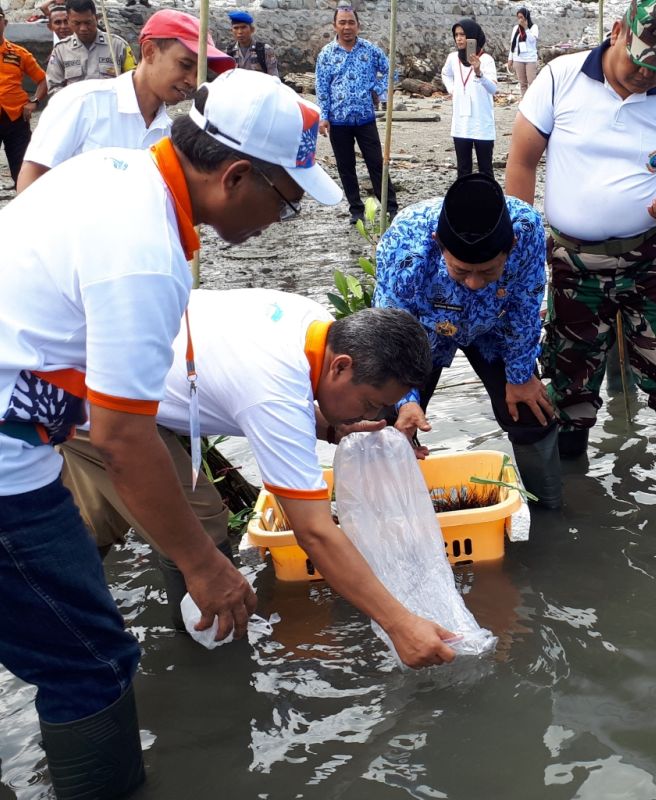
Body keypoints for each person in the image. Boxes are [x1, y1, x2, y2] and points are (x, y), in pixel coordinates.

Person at [0, 68, 341, 799]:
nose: (278, 221)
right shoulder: (149, 254)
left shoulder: (112, 171)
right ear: (236, 175)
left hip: (29, 433)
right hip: (7, 468)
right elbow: (125, 439)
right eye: (283, 202)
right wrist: (203, 564)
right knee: (92, 664)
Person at [61, 288, 462, 667]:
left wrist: (329, 426)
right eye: (371, 403)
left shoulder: (318, 329)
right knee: (197, 525)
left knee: (95, 520)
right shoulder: (275, 388)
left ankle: (61, 605)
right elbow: (315, 532)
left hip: (108, 360)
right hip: (86, 393)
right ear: (342, 366)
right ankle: (206, 655)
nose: (372, 415)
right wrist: (400, 625)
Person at [506, 0, 656, 472]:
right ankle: (571, 500)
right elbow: (521, 161)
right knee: (569, 383)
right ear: (618, 31)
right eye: (641, 62)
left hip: (650, 258)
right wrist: (521, 243)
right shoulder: (561, 78)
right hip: (572, 262)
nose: (647, 76)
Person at [375, 173, 562, 509]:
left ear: (511, 247)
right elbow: (392, 330)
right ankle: (401, 514)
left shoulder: (527, 228)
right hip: (422, 332)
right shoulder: (406, 241)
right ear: (438, 243)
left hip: (493, 326)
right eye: (460, 271)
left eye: (489, 272)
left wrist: (520, 376)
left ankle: (551, 513)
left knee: (531, 412)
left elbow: (526, 302)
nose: (474, 283)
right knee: (391, 425)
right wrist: (406, 400)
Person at [17, 8, 235, 192]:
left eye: (200, 72)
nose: (193, 81)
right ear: (149, 51)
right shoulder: (82, 103)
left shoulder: (170, 135)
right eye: (185, 65)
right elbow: (32, 180)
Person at [316, 4, 398, 225]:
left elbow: (392, 72)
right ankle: (356, 209)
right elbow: (322, 87)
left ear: (358, 26)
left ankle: (390, 207)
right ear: (335, 25)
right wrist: (323, 116)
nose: (347, 27)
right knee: (346, 166)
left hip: (365, 119)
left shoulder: (369, 50)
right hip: (338, 120)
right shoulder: (326, 54)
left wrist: (378, 91)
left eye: (351, 22)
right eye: (342, 22)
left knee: (376, 163)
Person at [441, 18, 497, 178]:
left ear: (473, 37)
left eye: (463, 35)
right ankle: (464, 202)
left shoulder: (486, 60)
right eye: (456, 35)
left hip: (481, 123)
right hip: (461, 123)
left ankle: (488, 202)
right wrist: (452, 89)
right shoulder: (453, 58)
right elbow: (445, 74)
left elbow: (493, 89)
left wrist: (479, 72)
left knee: (485, 170)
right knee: (463, 170)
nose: (459, 38)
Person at [44, 0, 136, 96]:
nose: (83, 28)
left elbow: (133, 81)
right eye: (77, 23)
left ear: (96, 18)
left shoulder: (118, 46)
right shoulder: (60, 50)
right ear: (68, 20)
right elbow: (54, 87)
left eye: (88, 22)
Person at [0, 8, 47, 187]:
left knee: (22, 169)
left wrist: (33, 102)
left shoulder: (19, 53)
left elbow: (43, 79)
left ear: (5, 23)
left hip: (16, 119)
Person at [226, 10, 279, 76]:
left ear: (252, 30)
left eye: (243, 27)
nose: (240, 32)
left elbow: (274, 77)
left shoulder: (265, 50)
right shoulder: (230, 51)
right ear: (232, 31)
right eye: (236, 28)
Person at [507, 7, 539, 95]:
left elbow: (532, 41)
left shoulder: (533, 27)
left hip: (530, 59)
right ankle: (525, 103)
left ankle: (533, 102)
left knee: (532, 83)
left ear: (526, 17)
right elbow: (513, 45)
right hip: (518, 58)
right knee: (522, 84)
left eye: (521, 17)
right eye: (518, 17)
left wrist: (526, 28)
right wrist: (510, 59)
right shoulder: (516, 28)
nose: (520, 19)